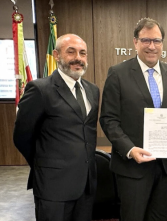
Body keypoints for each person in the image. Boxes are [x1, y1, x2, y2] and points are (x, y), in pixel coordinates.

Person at [100, 18, 167, 221]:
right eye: (146, 40)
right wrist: (130, 150)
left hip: (164, 166)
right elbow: (108, 119)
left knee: (158, 217)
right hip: (131, 167)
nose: (151, 46)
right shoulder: (118, 73)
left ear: (162, 43)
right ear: (135, 42)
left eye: (156, 40)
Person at [13, 34, 100, 221]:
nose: (78, 57)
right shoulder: (40, 89)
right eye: (71, 52)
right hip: (53, 187)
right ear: (56, 55)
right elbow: (22, 136)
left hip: (86, 185)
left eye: (83, 53)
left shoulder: (93, 91)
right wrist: (45, 165)